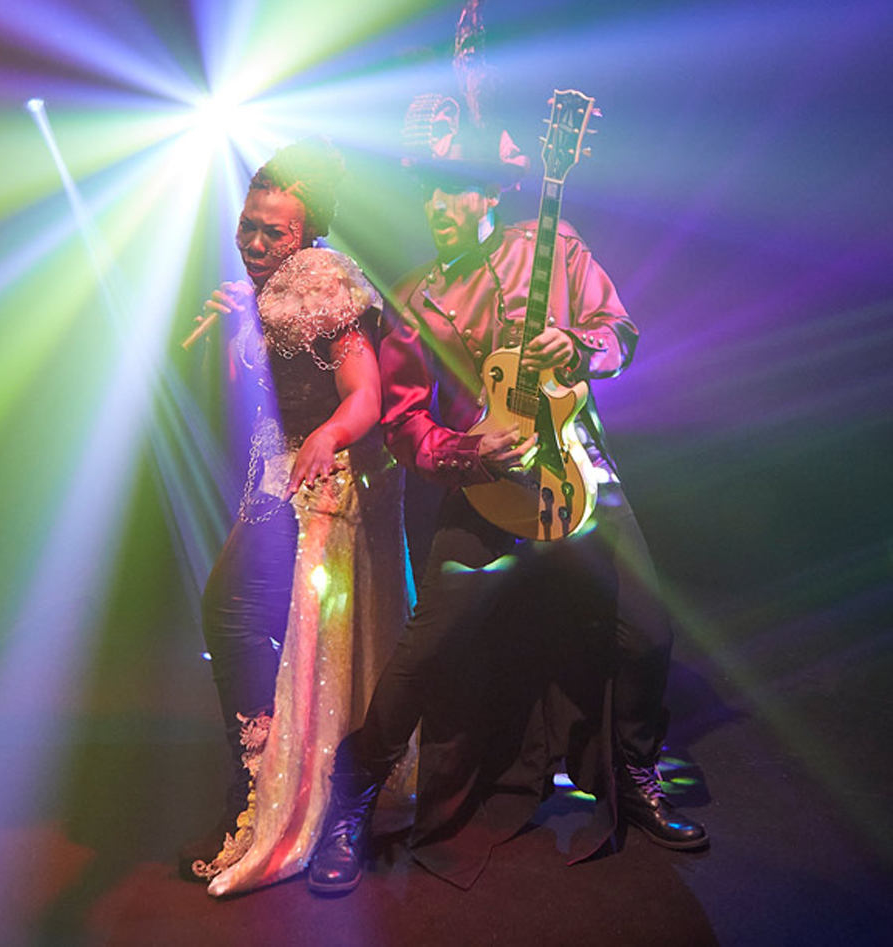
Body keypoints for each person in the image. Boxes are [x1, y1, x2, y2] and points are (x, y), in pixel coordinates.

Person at [307, 101, 708, 896]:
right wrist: (469, 452)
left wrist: (581, 345)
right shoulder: (419, 299)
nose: (437, 207)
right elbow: (403, 422)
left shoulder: (553, 248)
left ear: (491, 193)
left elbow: (621, 334)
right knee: (426, 649)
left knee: (647, 630)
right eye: (428, 193)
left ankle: (634, 772)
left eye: (454, 191)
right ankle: (353, 798)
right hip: (487, 486)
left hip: (577, 475)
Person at [177, 139, 410, 896]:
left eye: (272, 231)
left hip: (318, 485)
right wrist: (236, 329)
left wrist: (330, 435)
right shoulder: (270, 287)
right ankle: (265, 778)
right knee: (264, 631)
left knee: (242, 615)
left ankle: (265, 784)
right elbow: (252, 395)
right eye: (247, 225)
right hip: (275, 474)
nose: (253, 241)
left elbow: (365, 394)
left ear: (304, 234)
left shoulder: (321, 280)